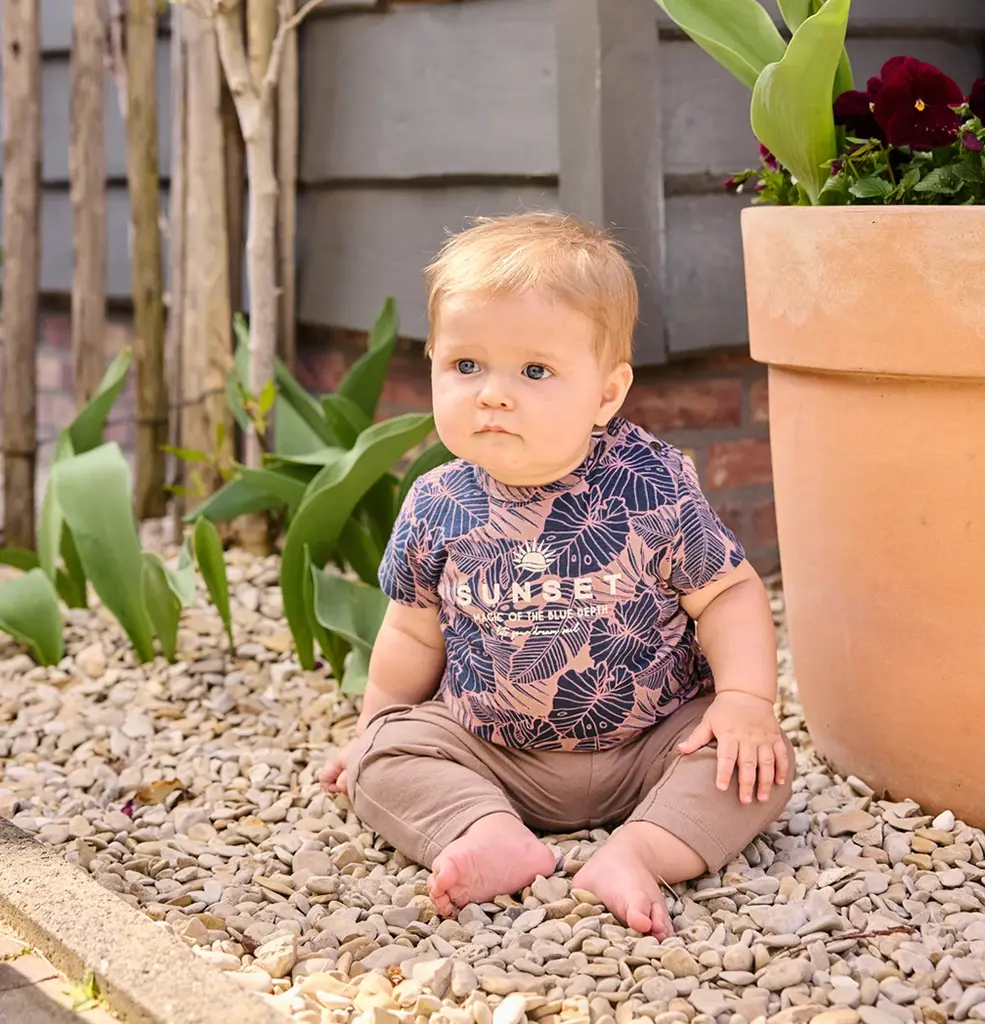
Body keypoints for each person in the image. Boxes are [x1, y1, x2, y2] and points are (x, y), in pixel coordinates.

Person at [320, 211, 793, 941]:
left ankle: (639, 852)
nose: (492, 394)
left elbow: (727, 591)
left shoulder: (650, 486)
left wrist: (744, 700)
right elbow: (413, 633)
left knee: (756, 763)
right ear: (434, 363)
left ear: (606, 393)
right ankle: (490, 832)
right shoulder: (437, 502)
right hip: (492, 752)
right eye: (466, 366)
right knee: (383, 757)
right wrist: (371, 729)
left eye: (534, 371)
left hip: (651, 743)